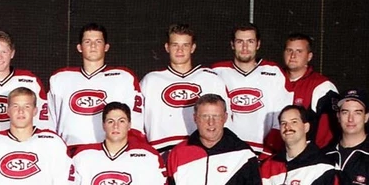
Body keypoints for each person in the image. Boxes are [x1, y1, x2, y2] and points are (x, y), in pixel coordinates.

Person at [48, 23, 143, 148]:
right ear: (79, 47)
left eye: (98, 41)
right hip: (70, 151)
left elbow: (136, 120)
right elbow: (49, 120)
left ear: (106, 47)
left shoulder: (124, 78)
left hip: (108, 152)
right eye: (87, 41)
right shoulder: (60, 78)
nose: (93, 46)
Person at [138, 24, 227, 154]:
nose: (180, 50)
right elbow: (137, 121)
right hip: (161, 151)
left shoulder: (210, 79)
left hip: (201, 150)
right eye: (175, 45)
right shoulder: (150, 80)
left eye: (185, 45)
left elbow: (224, 119)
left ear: (193, 48)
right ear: (167, 47)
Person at [210, 22, 292, 156]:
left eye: (250, 41)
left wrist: (272, 148)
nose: (245, 47)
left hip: (264, 153)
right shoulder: (217, 72)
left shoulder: (274, 72)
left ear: (258, 44)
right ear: (232, 44)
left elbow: (283, 113)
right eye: (239, 42)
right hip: (225, 151)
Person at [281, 32, 338, 148]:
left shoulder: (323, 86)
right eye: (289, 50)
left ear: (309, 56)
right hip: (276, 155)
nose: (293, 56)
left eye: (299, 51)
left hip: (310, 157)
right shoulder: (274, 79)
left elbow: (334, 126)